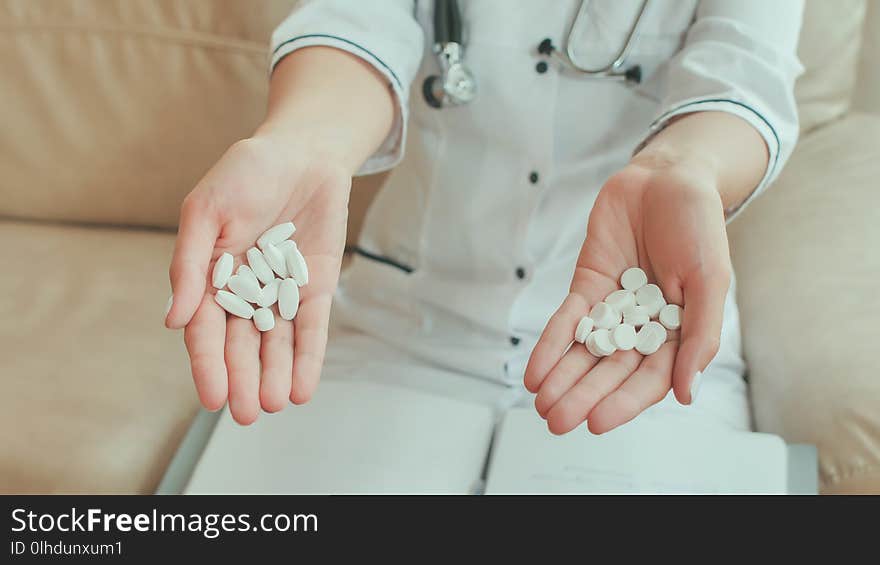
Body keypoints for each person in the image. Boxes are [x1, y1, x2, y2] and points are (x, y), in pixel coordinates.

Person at [164, 0, 802, 452]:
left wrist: (683, 167)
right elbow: (352, 19)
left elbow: (747, 74)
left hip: (636, 342)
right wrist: (302, 144)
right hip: (401, 326)